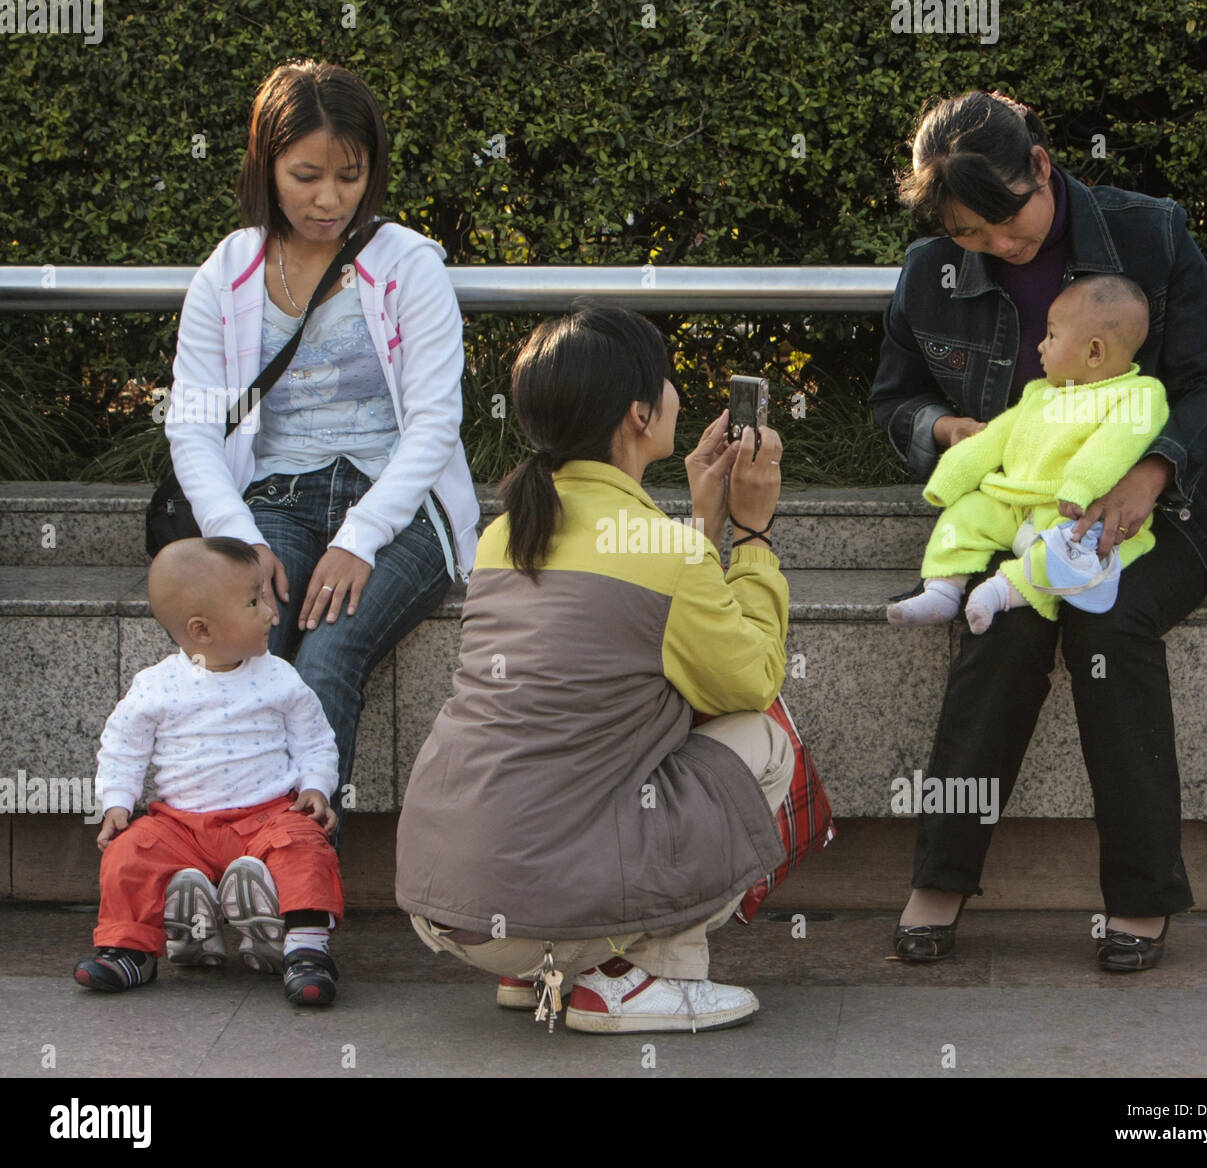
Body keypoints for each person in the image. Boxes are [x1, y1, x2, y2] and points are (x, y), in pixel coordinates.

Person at [871, 91, 1207, 971]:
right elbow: (894, 402)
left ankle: (1140, 893)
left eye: (1008, 223)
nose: (999, 248)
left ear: (1041, 166)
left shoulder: (1150, 234)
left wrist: (1150, 469)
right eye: (972, 235)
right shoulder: (929, 270)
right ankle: (940, 874)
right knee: (1000, 621)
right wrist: (945, 432)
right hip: (1017, 514)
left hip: (1164, 517)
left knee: (1109, 621)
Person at [396, 305, 795, 1034]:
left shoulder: (503, 532)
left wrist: (702, 523)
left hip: (447, 905)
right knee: (763, 738)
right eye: (669, 383)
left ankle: (543, 969)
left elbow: (622, 629)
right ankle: (638, 980)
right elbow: (753, 677)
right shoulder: (664, 553)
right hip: (538, 902)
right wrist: (757, 535)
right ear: (641, 415)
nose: (679, 394)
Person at [164, 61, 478, 839]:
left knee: (329, 655)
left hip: (401, 509)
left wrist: (360, 539)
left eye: (350, 175)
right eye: (305, 175)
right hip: (274, 501)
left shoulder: (408, 265)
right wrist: (238, 540)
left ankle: (296, 886)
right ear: (266, 167)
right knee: (245, 645)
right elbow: (193, 424)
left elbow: (436, 424)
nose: (329, 199)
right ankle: (211, 852)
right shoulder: (226, 274)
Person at [74, 537, 345, 1005]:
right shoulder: (156, 686)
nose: (270, 613)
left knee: (306, 845)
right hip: (180, 825)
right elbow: (123, 745)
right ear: (201, 630)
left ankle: (306, 949)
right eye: (254, 601)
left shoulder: (279, 677)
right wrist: (117, 802)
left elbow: (314, 739)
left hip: (267, 817)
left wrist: (316, 786)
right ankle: (127, 950)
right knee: (128, 851)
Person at [888, 275, 1168, 634]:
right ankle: (943, 589)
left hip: (1072, 509)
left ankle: (1002, 591)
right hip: (1014, 500)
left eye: (1052, 336)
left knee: (1073, 549)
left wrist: (1080, 486)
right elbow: (995, 438)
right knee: (967, 513)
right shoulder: (1039, 393)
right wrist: (952, 477)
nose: (1041, 346)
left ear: (1094, 352)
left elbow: (1115, 445)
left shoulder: (1139, 394)